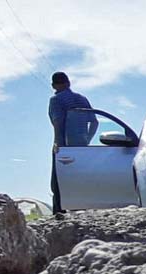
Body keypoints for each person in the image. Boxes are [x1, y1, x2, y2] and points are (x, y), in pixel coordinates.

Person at [47, 71, 96, 213]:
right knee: (81, 176)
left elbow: (57, 121)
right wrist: (88, 139)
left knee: (57, 181)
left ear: (53, 85)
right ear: (69, 83)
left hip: (64, 145)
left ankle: (59, 212)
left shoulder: (56, 100)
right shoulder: (81, 99)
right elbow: (94, 121)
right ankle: (82, 207)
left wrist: (57, 142)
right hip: (81, 145)